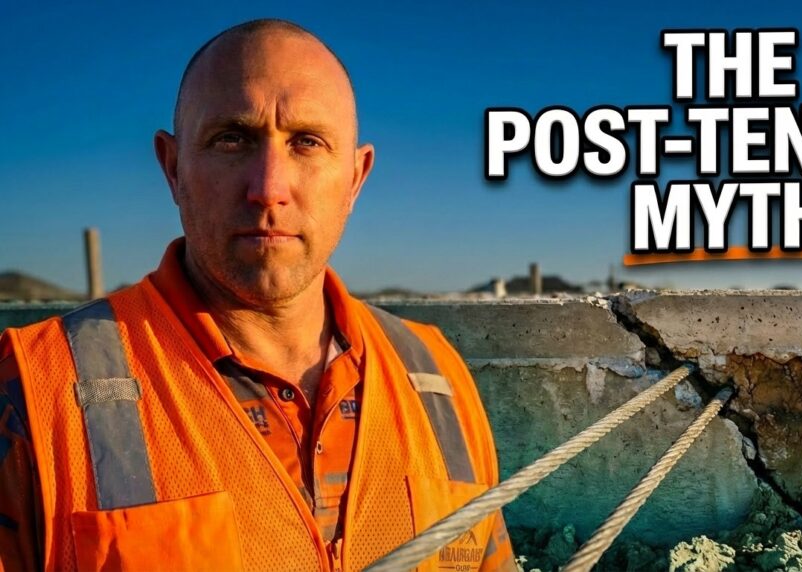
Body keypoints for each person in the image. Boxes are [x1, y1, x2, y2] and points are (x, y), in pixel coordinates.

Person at [0, 19, 515, 572]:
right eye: (231, 139)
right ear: (172, 167)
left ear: (356, 179)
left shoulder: (440, 379)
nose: (268, 187)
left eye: (307, 143)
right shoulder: (34, 388)